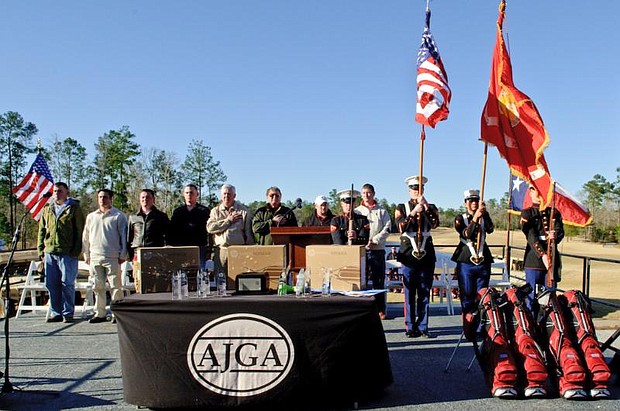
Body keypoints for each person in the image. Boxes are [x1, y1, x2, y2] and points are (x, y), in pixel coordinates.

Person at [395, 176, 439, 338]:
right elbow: (401, 227)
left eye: (419, 189)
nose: (416, 191)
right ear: (409, 190)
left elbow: (435, 223)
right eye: (414, 188)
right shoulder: (402, 207)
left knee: (424, 292)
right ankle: (410, 326)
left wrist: (425, 206)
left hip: (426, 253)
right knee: (409, 292)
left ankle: (423, 326)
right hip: (408, 254)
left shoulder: (431, 207)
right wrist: (413, 212)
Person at [37, 182, 85, 323]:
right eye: (55, 191)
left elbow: (79, 231)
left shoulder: (74, 208)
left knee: (67, 283)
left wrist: (76, 251)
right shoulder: (47, 209)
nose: (57, 193)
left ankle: (68, 312)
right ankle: (55, 312)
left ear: (67, 192)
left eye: (60, 191)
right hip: (50, 251)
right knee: (52, 284)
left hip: (67, 252)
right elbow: (42, 230)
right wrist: (41, 249)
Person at [451, 189, 495, 337]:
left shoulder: (484, 216)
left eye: (476, 200)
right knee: (467, 295)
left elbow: (490, 229)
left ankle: (481, 327)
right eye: (471, 201)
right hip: (466, 260)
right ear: (465, 203)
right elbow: (467, 234)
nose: (474, 203)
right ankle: (469, 328)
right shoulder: (460, 218)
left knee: (482, 296)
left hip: (483, 260)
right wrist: (475, 218)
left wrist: (485, 214)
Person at [82, 189, 128, 324]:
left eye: (105, 197)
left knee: (115, 286)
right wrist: (86, 254)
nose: (102, 200)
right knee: (98, 286)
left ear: (111, 199)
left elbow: (123, 237)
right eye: (100, 197)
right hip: (95, 256)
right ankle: (100, 313)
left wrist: (123, 254)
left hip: (112, 256)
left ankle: (117, 314)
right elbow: (85, 237)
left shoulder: (118, 216)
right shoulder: (91, 216)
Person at [521, 185, 564, 317]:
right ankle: (530, 325)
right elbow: (531, 236)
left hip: (552, 259)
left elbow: (560, 231)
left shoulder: (554, 212)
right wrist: (543, 255)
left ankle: (548, 326)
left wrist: (555, 235)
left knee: (549, 297)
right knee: (531, 296)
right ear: (531, 192)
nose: (539, 194)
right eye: (535, 190)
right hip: (534, 260)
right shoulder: (527, 213)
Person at [355, 183, 391, 320]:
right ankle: (363, 311)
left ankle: (380, 309)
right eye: (364, 193)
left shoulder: (382, 211)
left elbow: (387, 228)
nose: (366, 195)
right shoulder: (357, 211)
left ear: (374, 193)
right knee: (361, 282)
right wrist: (363, 242)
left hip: (377, 250)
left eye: (369, 192)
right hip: (362, 251)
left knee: (378, 281)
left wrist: (375, 240)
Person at [207, 184, 255, 276]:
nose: (226, 196)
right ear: (221, 196)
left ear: (234, 196)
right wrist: (228, 221)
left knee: (239, 280)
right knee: (220, 280)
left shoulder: (243, 211)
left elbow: (249, 234)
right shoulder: (215, 211)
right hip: (221, 251)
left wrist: (250, 252)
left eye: (229, 194)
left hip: (239, 251)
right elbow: (210, 228)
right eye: (224, 194)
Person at [169, 184, 211, 269]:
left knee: (199, 274)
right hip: (181, 249)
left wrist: (209, 250)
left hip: (199, 248)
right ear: (183, 194)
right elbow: (171, 232)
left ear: (197, 194)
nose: (189, 195)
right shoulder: (177, 212)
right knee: (182, 275)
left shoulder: (204, 211)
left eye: (191, 192)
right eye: (187, 192)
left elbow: (210, 232)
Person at [127, 189, 170, 261]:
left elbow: (168, 236)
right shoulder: (133, 217)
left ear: (153, 199)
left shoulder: (161, 216)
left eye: (148, 197)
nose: (145, 199)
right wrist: (129, 257)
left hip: (155, 253)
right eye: (143, 197)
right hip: (137, 253)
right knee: (137, 272)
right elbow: (129, 238)